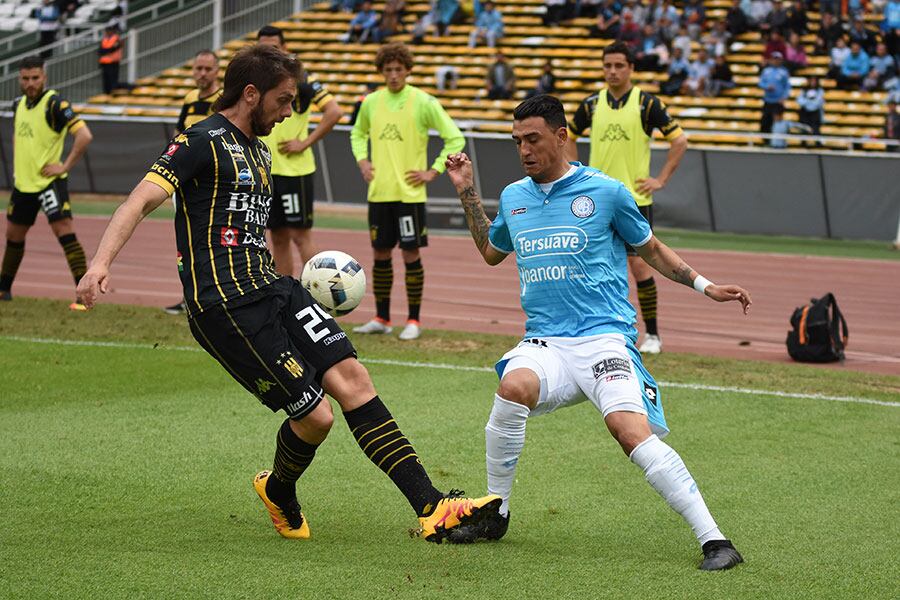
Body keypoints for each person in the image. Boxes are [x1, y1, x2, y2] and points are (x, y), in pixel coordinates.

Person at [75, 44, 499, 543]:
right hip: (226, 305)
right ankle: (278, 491)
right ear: (251, 93)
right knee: (317, 416)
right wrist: (99, 263)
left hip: (276, 288)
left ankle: (432, 507)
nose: (290, 112)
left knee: (354, 378)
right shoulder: (199, 141)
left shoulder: (260, 150)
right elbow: (139, 200)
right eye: (283, 100)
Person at [442, 94, 749, 572]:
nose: (524, 150)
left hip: (604, 338)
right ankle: (495, 512)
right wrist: (466, 190)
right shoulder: (515, 196)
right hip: (547, 341)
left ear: (562, 137)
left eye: (533, 139)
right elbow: (489, 251)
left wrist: (705, 286)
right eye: (517, 141)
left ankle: (715, 540)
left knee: (628, 432)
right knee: (511, 388)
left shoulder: (605, 191)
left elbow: (650, 249)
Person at [566, 42, 688, 354]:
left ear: (631, 68)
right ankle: (597, 331)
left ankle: (653, 335)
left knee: (640, 268)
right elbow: (566, 135)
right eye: (607, 65)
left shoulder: (647, 104)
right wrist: (575, 175)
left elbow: (679, 140)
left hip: (634, 201)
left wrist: (660, 179)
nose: (613, 71)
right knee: (591, 266)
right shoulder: (592, 104)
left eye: (619, 65)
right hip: (594, 203)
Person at [350, 43, 464, 341]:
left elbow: (455, 138)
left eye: (398, 69)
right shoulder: (371, 102)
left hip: (410, 195)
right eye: (388, 70)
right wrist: (362, 161)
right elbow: (357, 133)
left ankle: (413, 319)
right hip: (379, 192)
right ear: (381, 71)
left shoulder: (424, 101)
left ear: (408, 70)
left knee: (410, 253)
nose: (393, 75)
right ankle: (381, 317)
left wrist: (433, 171)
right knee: (380, 253)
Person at [0, 56, 93, 307]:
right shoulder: (18, 103)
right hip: (24, 185)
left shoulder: (55, 103)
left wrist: (64, 165)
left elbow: (84, 135)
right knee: (13, 235)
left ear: (44, 77)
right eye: (25, 79)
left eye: (35, 78)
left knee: (65, 232)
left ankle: (83, 295)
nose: (30, 83)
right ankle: (4, 290)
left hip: (49, 183)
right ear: (19, 79)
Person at [256, 26, 344, 280]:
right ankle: (286, 294)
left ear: (284, 48)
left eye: (274, 47)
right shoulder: (256, 84)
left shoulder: (301, 80)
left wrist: (304, 143)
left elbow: (334, 112)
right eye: (264, 48)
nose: (270, 52)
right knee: (278, 236)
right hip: (266, 172)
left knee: (300, 235)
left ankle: (320, 293)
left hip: (295, 172)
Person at [163, 49, 223, 316]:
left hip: (211, 185)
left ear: (217, 71)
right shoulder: (189, 99)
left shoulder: (222, 100)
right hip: (185, 182)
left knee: (211, 240)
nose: (202, 74)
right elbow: (179, 134)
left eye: (207, 69)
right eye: (198, 69)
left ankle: (214, 295)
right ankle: (190, 296)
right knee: (186, 242)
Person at [758, 51, 791, 133]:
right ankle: (765, 139)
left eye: (778, 59)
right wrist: (766, 87)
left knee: (777, 121)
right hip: (768, 100)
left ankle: (776, 140)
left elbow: (787, 86)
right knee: (765, 120)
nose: (776, 61)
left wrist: (784, 97)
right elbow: (760, 83)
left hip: (778, 101)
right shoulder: (766, 71)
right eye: (774, 59)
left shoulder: (784, 72)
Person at [98, 24, 123, 94]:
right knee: (106, 81)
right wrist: (107, 51)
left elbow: (113, 49)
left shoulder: (117, 39)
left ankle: (113, 94)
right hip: (104, 63)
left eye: (109, 30)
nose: (108, 32)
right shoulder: (104, 39)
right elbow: (100, 51)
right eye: (107, 30)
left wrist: (106, 51)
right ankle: (106, 94)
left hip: (113, 63)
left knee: (113, 81)